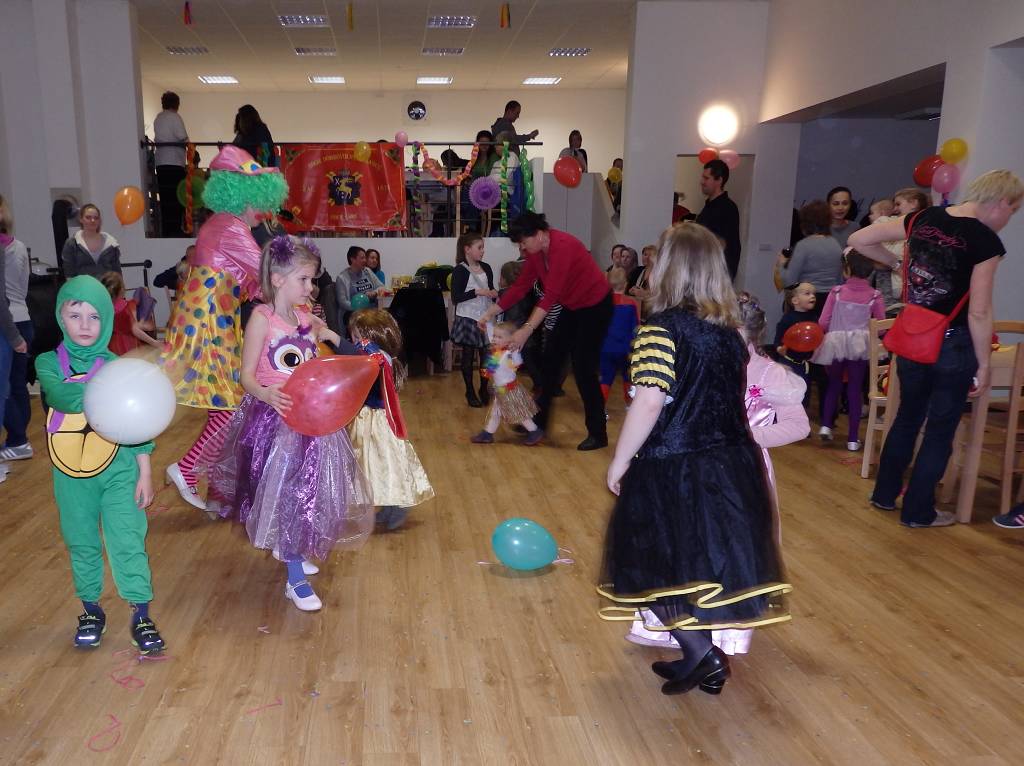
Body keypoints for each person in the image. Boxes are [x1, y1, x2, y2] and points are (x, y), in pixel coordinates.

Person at [600, 222, 789, 696]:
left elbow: (648, 402)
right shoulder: (730, 333)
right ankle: (696, 654)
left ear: (666, 268)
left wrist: (620, 460)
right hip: (731, 464)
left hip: (673, 462)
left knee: (651, 560)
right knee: (699, 562)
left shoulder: (659, 330)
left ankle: (702, 654)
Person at [627, 291, 807, 653]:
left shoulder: (769, 373)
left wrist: (745, 436)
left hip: (740, 474)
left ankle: (722, 632)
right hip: (690, 467)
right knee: (685, 541)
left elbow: (798, 425)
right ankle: (676, 627)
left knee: (727, 548)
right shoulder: (698, 361)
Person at [204, 236, 373, 611]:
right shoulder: (261, 320)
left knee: (311, 490)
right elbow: (247, 376)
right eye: (304, 279)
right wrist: (265, 394)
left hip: (313, 421)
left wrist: (330, 338)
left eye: (312, 280)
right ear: (278, 279)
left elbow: (320, 362)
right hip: (277, 422)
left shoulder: (307, 319)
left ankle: (294, 546)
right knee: (288, 494)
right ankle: (294, 577)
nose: (311, 287)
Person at [851, 169, 1023, 528]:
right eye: (1013, 210)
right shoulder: (985, 241)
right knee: (940, 429)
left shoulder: (924, 218)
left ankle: (884, 495)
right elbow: (978, 311)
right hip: (954, 344)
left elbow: (859, 239)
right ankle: (918, 512)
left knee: (907, 417)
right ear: (1002, 202)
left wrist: (898, 264)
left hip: (914, 335)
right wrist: (984, 363)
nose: (1010, 218)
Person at [37, 276, 165, 653]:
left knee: (128, 539)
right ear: (60, 316)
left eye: (94, 316)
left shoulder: (117, 366)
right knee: (81, 541)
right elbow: (59, 394)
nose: (84, 325)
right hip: (71, 475)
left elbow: (137, 420)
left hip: (121, 470)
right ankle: (91, 610)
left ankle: (141, 612)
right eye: (74, 314)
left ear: (106, 320)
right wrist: (105, 389)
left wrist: (145, 471)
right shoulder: (48, 362)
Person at [160, 145, 289, 511]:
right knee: (232, 406)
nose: (263, 210)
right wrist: (295, 294)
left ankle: (218, 490)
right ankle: (187, 470)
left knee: (224, 407)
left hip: (214, 321)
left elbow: (252, 283)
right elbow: (265, 273)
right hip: (207, 325)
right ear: (243, 198)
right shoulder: (230, 228)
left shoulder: (223, 225)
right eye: (259, 202)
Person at [478, 212, 613, 451]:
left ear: (540, 235)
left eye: (524, 242)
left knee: (583, 368)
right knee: (550, 362)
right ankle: (538, 424)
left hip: (596, 306)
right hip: (573, 306)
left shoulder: (564, 247)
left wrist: (526, 330)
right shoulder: (536, 253)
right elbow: (520, 286)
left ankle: (598, 433)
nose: (522, 247)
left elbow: (551, 296)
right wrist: (492, 311)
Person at [347, 308, 434, 531]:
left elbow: (357, 357)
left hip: (380, 421)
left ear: (373, 336)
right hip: (367, 418)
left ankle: (401, 503)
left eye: (357, 336)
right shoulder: (373, 356)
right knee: (374, 464)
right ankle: (388, 504)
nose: (354, 342)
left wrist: (336, 340)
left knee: (389, 462)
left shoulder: (376, 357)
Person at [812, 250, 885, 450]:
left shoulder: (836, 292)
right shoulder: (875, 296)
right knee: (854, 389)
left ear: (847, 269)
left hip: (836, 343)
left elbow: (822, 322)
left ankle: (826, 425)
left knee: (833, 384)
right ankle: (853, 439)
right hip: (859, 346)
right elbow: (881, 326)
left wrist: (834, 332)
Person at [470, 321, 544, 446]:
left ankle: (535, 431)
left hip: (509, 390)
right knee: (495, 413)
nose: (494, 339)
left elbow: (517, 363)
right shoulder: (497, 353)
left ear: (509, 340)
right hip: (500, 390)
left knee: (519, 413)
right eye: (494, 336)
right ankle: (487, 434)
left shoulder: (509, 354)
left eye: (499, 337)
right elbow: (490, 334)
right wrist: (487, 322)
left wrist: (514, 351)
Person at [1, 195, 32, 465]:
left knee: (6, 386)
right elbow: (23, 286)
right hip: (23, 316)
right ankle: (19, 438)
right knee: (18, 383)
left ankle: (18, 439)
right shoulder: (19, 247)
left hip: (7, 323)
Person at [451, 232, 497, 407]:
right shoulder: (459, 270)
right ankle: (469, 391)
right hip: (468, 317)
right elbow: (456, 297)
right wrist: (476, 292)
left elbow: (491, 289)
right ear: (467, 249)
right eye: (480, 247)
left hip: (485, 317)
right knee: (468, 356)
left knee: (486, 357)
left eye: (483, 247)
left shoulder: (487, 267)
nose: (483, 251)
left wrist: (493, 293)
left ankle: (484, 387)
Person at [776, 199, 844, 314]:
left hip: (807, 300)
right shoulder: (836, 244)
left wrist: (781, 264)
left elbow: (789, 281)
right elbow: (840, 279)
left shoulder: (803, 245)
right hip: (830, 301)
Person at [870, 188, 929, 316]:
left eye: (898, 204)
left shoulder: (925, 230)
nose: (895, 209)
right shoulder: (890, 222)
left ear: (913, 203)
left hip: (912, 293)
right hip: (889, 291)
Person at [600, 267, 640, 408]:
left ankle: (600, 408)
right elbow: (635, 327)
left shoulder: (602, 304)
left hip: (606, 348)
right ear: (625, 284)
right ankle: (629, 404)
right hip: (625, 348)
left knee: (606, 378)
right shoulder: (631, 304)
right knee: (628, 377)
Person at [695, 159, 741, 280]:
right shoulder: (708, 206)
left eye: (706, 178)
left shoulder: (728, 208)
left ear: (719, 180)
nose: (702, 182)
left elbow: (728, 246)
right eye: (703, 177)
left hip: (716, 276)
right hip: (703, 273)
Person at [153, 91, 190, 237]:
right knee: (177, 198)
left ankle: (167, 230)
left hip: (161, 163)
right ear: (176, 104)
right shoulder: (175, 117)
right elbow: (183, 137)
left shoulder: (158, 118)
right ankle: (176, 230)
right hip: (174, 162)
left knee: (165, 198)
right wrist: (190, 147)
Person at [99, 272, 161, 355]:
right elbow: (135, 329)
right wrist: (154, 343)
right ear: (122, 290)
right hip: (129, 347)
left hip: (111, 347)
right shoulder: (126, 306)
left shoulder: (101, 309)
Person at [774, 282, 817, 399]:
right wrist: (779, 348)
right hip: (788, 363)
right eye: (807, 293)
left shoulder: (813, 318)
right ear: (795, 301)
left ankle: (802, 410)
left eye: (813, 294)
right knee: (788, 393)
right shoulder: (788, 319)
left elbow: (815, 338)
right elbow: (778, 339)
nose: (812, 296)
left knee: (803, 394)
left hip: (805, 364)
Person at [61, 204, 122, 279]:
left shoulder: (111, 243)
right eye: (88, 217)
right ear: (81, 219)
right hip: (82, 286)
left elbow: (117, 274)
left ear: (99, 221)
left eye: (96, 218)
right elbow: (69, 274)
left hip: (106, 286)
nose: (93, 220)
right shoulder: (72, 244)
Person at [335, 246, 383, 329]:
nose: (365, 260)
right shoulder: (342, 278)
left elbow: (381, 286)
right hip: (354, 313)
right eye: (362, 258)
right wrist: (359, 307)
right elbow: (343, 302)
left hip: (371, 310)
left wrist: (374, 292)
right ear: (352, 259)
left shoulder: (367, 271)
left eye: (365, 258)